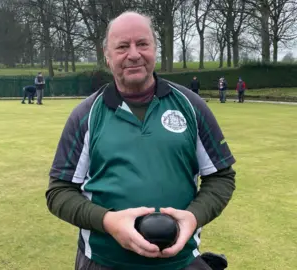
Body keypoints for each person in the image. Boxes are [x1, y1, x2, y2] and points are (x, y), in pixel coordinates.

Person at [45, 11, 236, 270]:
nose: (133, 54)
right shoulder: (85, 116)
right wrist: (108, 222)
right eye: (122, 46)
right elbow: (59, 192)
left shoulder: (192, 106)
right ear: (107, 55)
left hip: (180, 263)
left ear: (155, 48)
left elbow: (221, 176)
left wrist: (193, 217)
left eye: (142, 44)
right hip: (103, 262)